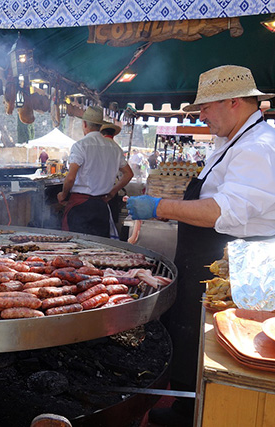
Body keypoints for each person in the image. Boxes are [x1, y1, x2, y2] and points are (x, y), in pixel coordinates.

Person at [126, 65, 275, 426]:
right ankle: (184, 408)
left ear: (235, 102)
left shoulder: (258, 147)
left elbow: (221, 210)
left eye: (206, 108)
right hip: (206, 256)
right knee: (190, 337)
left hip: (231, 263)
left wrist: (160, 207)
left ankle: (198, 414)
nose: (201, 115)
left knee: (212, 347)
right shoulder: (232, 141)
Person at [57, 106, 133, 237]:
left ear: (84, 124)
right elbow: (129, 174)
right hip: (101, 206)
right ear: (100, 126)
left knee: (73, 245)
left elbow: (70, 178)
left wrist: (63, 195)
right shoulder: (114, 148)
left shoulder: (80, 145)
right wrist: (113, 191)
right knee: (98, 249)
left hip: (80, 206)